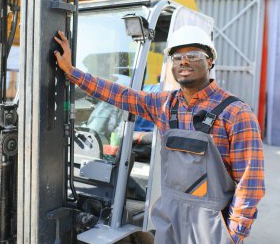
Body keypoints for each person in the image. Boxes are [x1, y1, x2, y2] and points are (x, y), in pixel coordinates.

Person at [54, 25, 265, 244]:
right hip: (169, 219)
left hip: (210, 225)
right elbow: (120, 94)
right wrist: (72, 72)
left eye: (193, 55)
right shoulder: (165, 104)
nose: (183, 61)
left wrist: (232, 235)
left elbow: (250, 184)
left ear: (210, 61)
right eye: (177, 57)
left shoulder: (236, 113)